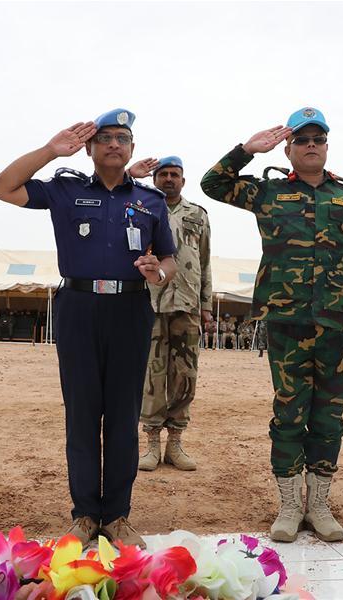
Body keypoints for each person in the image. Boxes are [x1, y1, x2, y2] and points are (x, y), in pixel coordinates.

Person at [0, 108, 177, 549]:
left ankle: (118, 516)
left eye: (123, 138)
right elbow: (2, 187)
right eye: (105, 137)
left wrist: (159, 272)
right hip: (78, 306)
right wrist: (50, 151)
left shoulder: (149, 201)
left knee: (124, 413)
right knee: (82, 413)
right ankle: (85, 514)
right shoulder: (65, 189)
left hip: (130, 308)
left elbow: (169, 257)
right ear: (90, 148)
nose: (114, 144)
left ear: (132, 148)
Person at [201, 106, 343, 543]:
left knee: (330, 418)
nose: (311, 145)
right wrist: (248, 150)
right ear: (289, 148)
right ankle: (291, 505)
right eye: (302, 139)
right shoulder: (268, 192)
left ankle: (320, 505)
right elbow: (212, 184)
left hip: (335, 320)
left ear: (327, 146)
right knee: (289, 414)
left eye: (318, 139)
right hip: (287, 319)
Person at [129, 156, 213, 473]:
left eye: (174, 174)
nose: (168, 179)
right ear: (155, 179)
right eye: (162, 174)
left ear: (183, 180)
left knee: (185, 375)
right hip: (149, 302)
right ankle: (151, 442)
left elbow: (204, 261)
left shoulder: (198, 215)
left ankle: (175, 442)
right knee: (152, 374)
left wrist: (206, 305)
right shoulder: (141, 209)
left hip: (188, 303)